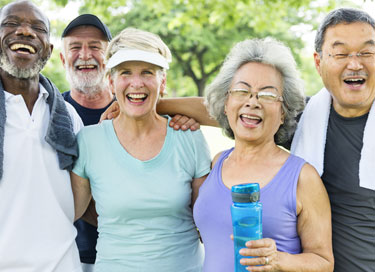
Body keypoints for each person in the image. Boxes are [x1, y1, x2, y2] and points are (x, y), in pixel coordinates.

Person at [70, 27, 211, 271]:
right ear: (111, 82)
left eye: (147, 72)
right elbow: (68, 212)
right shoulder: (88, 141)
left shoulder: (189, 136)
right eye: (126, 73)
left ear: (162, 81)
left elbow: (208, 219)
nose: (137, 83)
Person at [192, 38, 333, 271]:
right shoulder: (217, 162)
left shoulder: (302, 178)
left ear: (283, 113)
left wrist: (278, 260)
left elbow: (324, 263)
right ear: (226, 104)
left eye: (267, 95)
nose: (252, 102)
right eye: (241, 91)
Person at [0, 1, 83, 271]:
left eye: (38, 28)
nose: (25, 31)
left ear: (48, 49)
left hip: (62, 264)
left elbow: (83, 195)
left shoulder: (68, 117)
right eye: (11, 23)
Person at [291, 8, 375, 271]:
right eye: (340, 53)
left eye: (367, 52)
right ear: (318, 63)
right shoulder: (301, 119)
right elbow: (231, 109)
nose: (355, 63)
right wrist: (160, 109)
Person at [60, 14, 114, 272]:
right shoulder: (49, 112)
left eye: (95, 46)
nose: (85, 54)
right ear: (62, 59)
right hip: (68, 258)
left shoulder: (135, 108)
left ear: (111, 59)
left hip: (127, 255)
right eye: (75, 47)